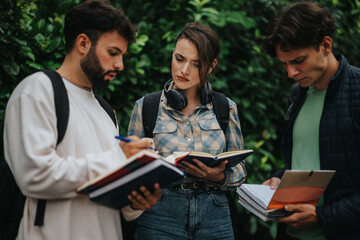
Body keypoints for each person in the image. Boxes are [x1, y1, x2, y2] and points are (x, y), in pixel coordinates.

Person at [3, 1, 161, 239]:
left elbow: (106, 193)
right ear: (83, 43)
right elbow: (35, 176)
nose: (120, 65)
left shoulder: (107, 112)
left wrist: (136, 201)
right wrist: (119, 157)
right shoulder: (38, 90)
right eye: (113, 53)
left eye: (122, 55)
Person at [128, 22, 246, 240]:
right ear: (173, 54)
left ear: (211, 66)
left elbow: (239, 170)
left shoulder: (225, 108)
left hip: (215, 214)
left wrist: (219, 176)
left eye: (196, 64)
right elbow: (130, 170)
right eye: (179, 59)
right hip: (159, 215)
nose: (184, 70)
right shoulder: (146, 107)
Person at [262, 2, 360, 240]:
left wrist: (323, 216)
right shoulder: (298, 94)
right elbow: (304, 159)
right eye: (284, 64)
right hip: (292, 234)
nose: (291, 73)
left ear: (326, 45)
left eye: (298, 61)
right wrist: (280, 177)